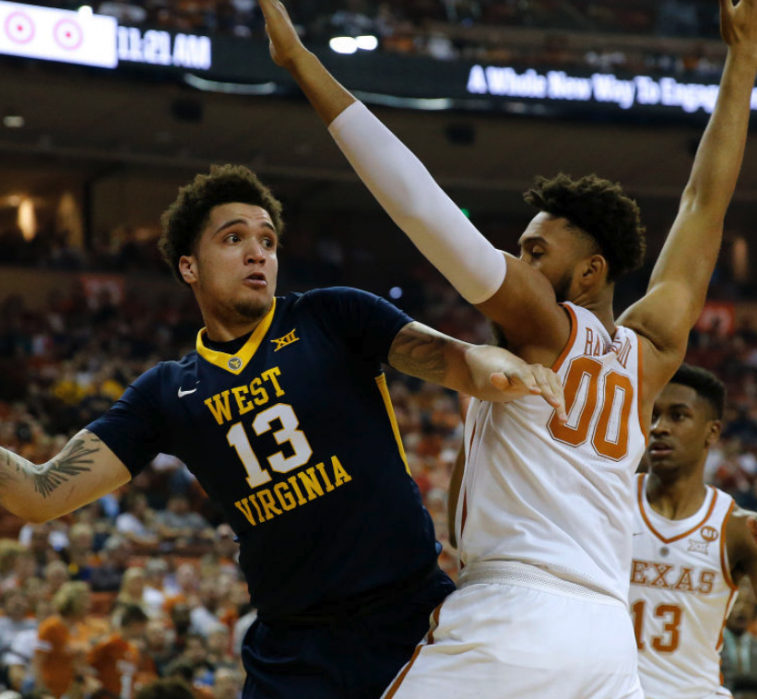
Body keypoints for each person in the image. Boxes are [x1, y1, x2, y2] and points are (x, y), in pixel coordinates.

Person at [0, 162, 566, 699]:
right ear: (189, 265)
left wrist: (494, 363)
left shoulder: (332, 316)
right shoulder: (166, 392)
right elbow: (37, 495)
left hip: (413, 619)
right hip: (294, 652)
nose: (259, 251)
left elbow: (451, 358)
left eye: (267, 238)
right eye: (234, 237)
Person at [257, 0, 757, 696]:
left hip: (516, 614)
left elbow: (423, 208)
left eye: (534, 250)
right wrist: (743, 62)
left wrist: (304, 67)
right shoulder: (651, 352)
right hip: (609, 645)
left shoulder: (546, 326)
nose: (518, 262)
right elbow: (706, 202)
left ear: (588, 273)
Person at [632, 366, 757, 699]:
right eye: (653, 415)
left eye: (678, 416)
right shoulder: (609, 502)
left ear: (711, 432)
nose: (659, 428)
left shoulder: (739, 528)